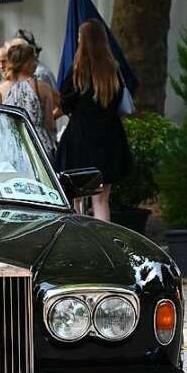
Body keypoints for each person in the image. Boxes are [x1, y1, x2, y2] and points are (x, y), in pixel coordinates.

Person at [55, 19, 131, 222]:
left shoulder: (78, 71)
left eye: (80, 37)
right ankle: (102, 243)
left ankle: (79, 243)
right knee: (101, 198)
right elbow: (118, 102)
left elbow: (65, 101)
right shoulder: (113, 70)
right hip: (109, 138)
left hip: (80, 139)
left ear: (85, 41)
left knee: (75, 196)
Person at [0, 41, 57, 158]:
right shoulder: (43, 88)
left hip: (9, 148)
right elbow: (50, 124)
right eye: (34, 60)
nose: (36, 63)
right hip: (38, 147)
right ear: (26, 63)